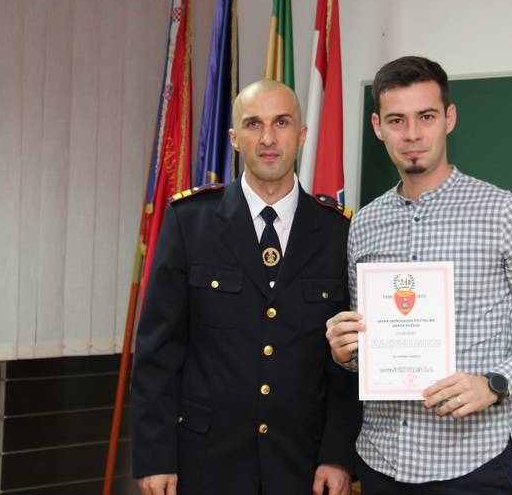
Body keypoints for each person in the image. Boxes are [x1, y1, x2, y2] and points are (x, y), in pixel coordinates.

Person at [326, 56, 512, 494]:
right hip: (380, 461)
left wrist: (497, 383)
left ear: (449, 118)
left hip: (471, 465)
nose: (411, 134)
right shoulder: (364, 223)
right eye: (396, 120)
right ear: (377, 126)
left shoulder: (502, 213)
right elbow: (370, 348)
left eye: (425, 116)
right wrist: (345, 351)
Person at [132, 80, 360, 495]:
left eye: (282, 123)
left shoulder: (337, 231)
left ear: (302, 135)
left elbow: (344, 361)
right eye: (254, 124)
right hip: (205, 461)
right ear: (234, 138)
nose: (268, 138)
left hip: (302, 463)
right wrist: (156, 457)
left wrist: (337, 454)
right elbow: (158, 352)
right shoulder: (190, 221)